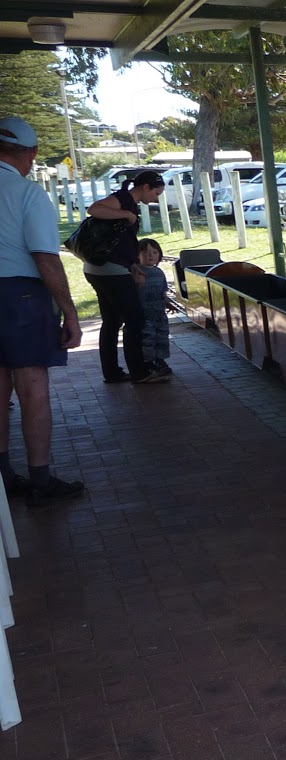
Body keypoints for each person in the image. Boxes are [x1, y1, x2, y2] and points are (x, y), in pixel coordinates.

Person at [0, 116, 85, 505]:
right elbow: (46, 258)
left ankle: (3, 478)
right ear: (30, 154)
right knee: (32, 388)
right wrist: (70, 311)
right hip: (21, 296)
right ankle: (39, 480)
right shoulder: (28, 193)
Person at [84, 169, 167, 384]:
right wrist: (126, 215)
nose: (156, 198)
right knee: (135, 319)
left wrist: (132, 265)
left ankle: (112, 372)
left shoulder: (129, 202)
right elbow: (94, 209)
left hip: (101, 268)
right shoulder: (122, 199)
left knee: (112, 321)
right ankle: (140, 372)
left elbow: (122, 241)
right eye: (156, 193)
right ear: (145, 187)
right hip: (110, 270)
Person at [134, 238, 173, 378]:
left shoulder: (159, 272)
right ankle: (148, 363)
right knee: (147, 340)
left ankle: (160, 360)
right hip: (145, 315)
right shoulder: (136, 272)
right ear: (138, 255)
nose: (150, 255)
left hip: (160, 314)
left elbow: (163, 292)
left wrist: (167, 303)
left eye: (154, 252)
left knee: (162, 339)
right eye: (145, 252)